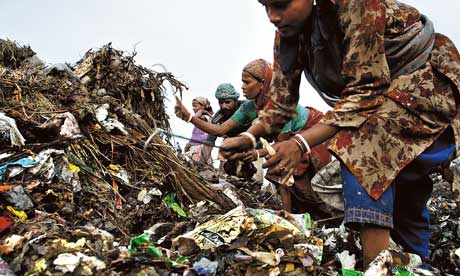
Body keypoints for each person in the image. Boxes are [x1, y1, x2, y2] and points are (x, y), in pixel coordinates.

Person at [220, 0, 460, 268]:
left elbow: (365, 90)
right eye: (267, 7)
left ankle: (378, 268)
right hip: (379, 100)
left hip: (424, 84)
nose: (273, 16)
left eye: (282, 5)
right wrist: (249, 137)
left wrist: (301, 143)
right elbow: (279, 102)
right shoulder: (289, 35)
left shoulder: (356, 5)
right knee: (401, 187)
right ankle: (416, 265)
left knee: (362, 149)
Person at [176, 59, 331, 211]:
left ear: (263, 83)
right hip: (285, 141)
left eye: (247, 82)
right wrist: (189, 117)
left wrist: (256, 153)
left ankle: (289, 215)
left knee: (282, 167)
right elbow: (220, 130)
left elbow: (282, 145)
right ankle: (293, 213)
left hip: (310, 131)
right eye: (242, 82)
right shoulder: (249, 108)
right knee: (281, 170)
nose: (242, 87)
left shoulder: (280, 105)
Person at [182, 97, 213, 163]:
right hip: (196, 145)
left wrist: (201, 111)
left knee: (198, 166)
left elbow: (194, 117)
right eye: (193, 106)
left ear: (203, 106)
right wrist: (189, 143)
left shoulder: (205, 117)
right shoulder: (201, 117)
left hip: (201, 146)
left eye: (195, 106)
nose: (193, 108)